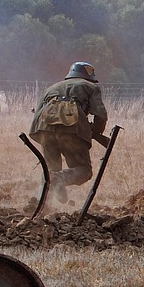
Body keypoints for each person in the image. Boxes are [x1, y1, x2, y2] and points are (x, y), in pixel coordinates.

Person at [28, 62, 108, 203]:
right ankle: (59, 179)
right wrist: (94, 131)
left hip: (45, 129)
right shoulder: (91, 87)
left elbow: (38, 114)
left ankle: (43, 203)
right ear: (89, 77)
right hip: (72, 130)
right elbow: (100, 115)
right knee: (84, 171)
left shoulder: (52, 87)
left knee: (50, 168)